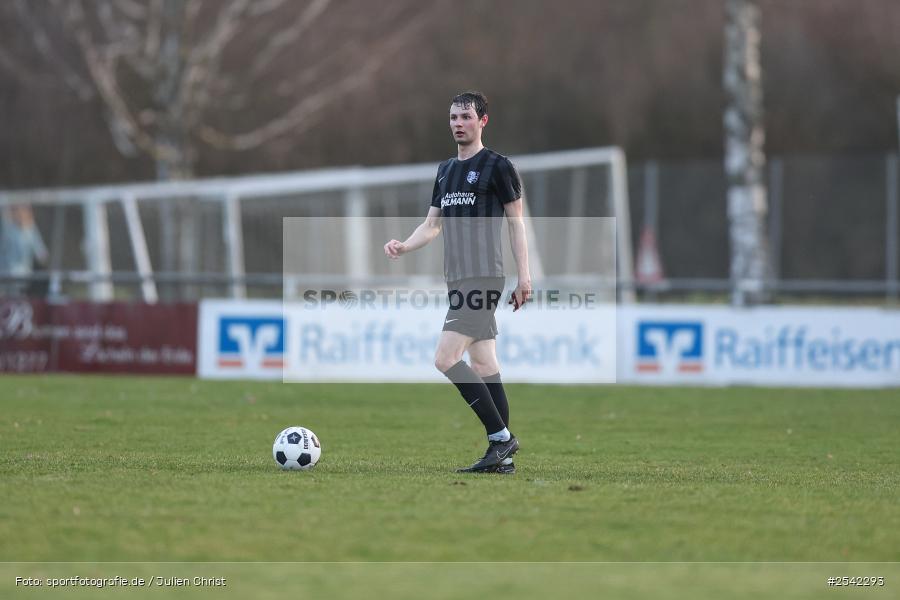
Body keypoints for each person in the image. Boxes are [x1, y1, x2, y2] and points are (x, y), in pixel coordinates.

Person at [384, 91, 532, 474]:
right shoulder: (445, 170)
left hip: (482, 276)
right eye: (452, 117)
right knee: (484, 364)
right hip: (457, 277)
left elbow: (517, 225)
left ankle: (502, 439)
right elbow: (432, 225)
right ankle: (504, 459)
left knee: (445, 358)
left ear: (483, 121)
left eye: (465, 116)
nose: (457, 123)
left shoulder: (499, 166)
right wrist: (405, 245)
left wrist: (525, 275)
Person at [0, 204, 48, 297]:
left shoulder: (31, 230)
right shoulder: (8, 227)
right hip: (5, 274)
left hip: (23, 276)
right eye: (18, 210)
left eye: (25, 211)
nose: (21, 214)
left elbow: (41, 253)